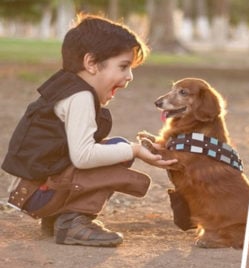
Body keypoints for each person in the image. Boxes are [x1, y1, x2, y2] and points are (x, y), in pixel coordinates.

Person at [2, 14, 175, 247]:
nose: (129, 77)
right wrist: (133, 150)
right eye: (123, 66)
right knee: (118, 150)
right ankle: (72, 222)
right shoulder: (80, 97)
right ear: (91, 63)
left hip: (32, 191)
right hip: (37, 195)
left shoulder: (66, 87)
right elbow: (83, 157)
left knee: (115, 149)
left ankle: (59, 217)